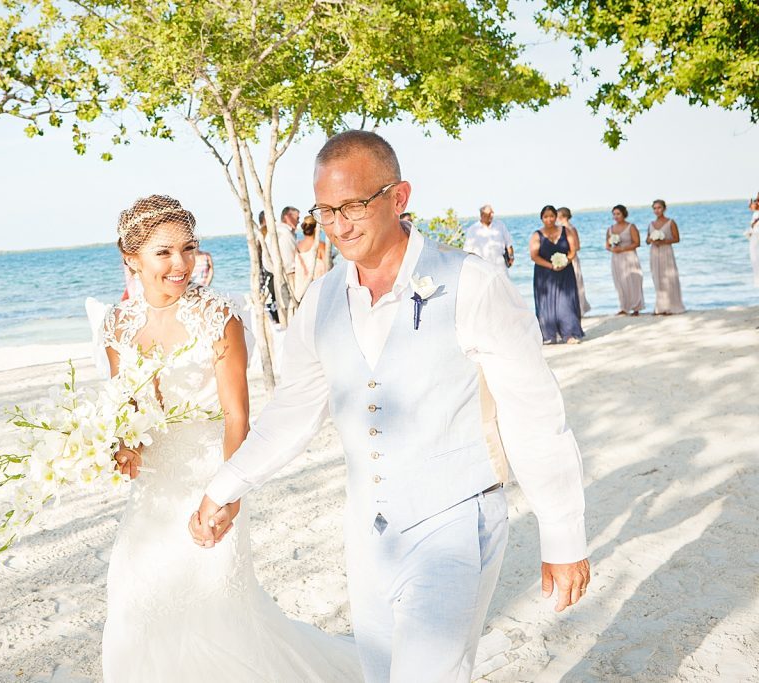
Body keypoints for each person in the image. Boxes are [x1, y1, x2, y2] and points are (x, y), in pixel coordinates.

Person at [191, 131, 590, 682]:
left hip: (456, 520)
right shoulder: (320, 301)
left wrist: (563, 534)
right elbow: (292, 415)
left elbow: (534, 412)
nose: (338, 225)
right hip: (367, 531)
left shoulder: (472, 282)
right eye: (325, 210)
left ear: (399, 197)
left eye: (353, 205)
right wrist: (225, 487)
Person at [100, 195, 362, 681]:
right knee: (135, 596)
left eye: (188, 248)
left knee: (217, 611)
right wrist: (123, 447)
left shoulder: (219, 317)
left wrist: (228, 496)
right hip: (152, 493)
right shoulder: (116, 325)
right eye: (163, 252)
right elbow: (126, 407)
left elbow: (237, 417)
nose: (181, 264)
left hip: (211, 478)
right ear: (131, 259)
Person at [530, 206, 584, 344]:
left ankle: (569, 334)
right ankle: (549, 335)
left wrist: (565, 262)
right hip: (544, 274)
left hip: (565, 272)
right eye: (545, 217)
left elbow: (573, 251)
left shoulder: (566, 231)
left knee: (566, 303)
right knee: (546, 303)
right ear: (542, 218)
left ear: (556, 217)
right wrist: (551, 266)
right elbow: (534, 256)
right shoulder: (537, 235)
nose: (549, 219)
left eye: (551, 216)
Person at [646, 199, 686, 315]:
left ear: (664, 209)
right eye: (654, 208)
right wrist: (651, 239)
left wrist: (664, 241)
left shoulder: (671, 222)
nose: (657, 210)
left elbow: (677, 239)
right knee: (657, 278)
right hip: (654, 252)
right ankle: (660, 307)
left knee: (669, 278)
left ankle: (672, 306)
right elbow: (647, 240)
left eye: (659, 208)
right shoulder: (651, 224)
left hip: (666, 252)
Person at [606, 204, 645, 316]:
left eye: (618, 214)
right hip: (616, 258)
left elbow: (637, 243)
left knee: (633, 281)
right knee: (620, 282)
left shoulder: (631, 227)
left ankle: (636, 307)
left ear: (624, 214)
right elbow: (607, 245)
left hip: (629, 256)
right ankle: (624, 307)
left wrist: (622, 248)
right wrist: (612, 249)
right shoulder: (610, 229)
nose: (616, 216)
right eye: (614, 214)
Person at [557, 207, 591, 317]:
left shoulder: (571, 228)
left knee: (576, 283)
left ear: (563, 216)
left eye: (557, 215)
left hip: (571, 259)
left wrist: (566, 256)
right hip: (562, 260)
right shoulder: (559, 229)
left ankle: (578, 309)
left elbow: (577, 246)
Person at [463, 204, 515, 273]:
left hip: (500, 266)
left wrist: (511, 257)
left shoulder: (500, 225)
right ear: (482, 215)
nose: (492, 215)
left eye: (492, 213)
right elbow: (468, 251)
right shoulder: (473, 230)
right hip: (482, 268)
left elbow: (509, 243)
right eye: (489, 213)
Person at [293, 215, 328, 300]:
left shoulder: (297, 246)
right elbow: (328, 267)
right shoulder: (320, 246)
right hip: (318, 291)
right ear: (316, 229)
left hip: (300, 291)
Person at [749, 198, 759, 287]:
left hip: (756, 235)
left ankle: (757, 278)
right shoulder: (756, 214)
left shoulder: (756, 214)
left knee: (754, 255)